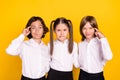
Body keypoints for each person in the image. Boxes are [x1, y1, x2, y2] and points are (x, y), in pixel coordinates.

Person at [78, 16, 113, 80]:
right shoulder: (80, 44)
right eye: (84, 28)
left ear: (95, 29)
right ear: (81, 29)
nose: (87, 31)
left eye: (90, 28)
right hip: (83, 75)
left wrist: (103, 39)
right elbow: (79, 62)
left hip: (97, 76)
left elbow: (109, 57)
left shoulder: (100, 42)